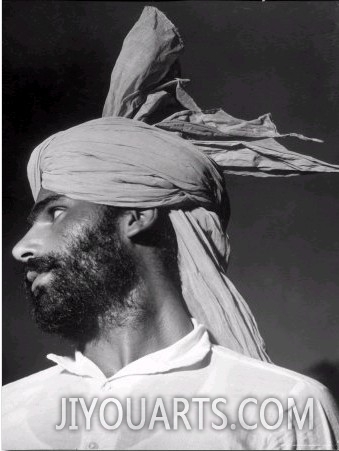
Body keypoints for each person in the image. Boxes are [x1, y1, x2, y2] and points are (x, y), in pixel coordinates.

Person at [2, 6, 339, 450]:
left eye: (56, 212)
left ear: (136, 215)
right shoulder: (8, 413)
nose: (21, 248)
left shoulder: (285, 407)